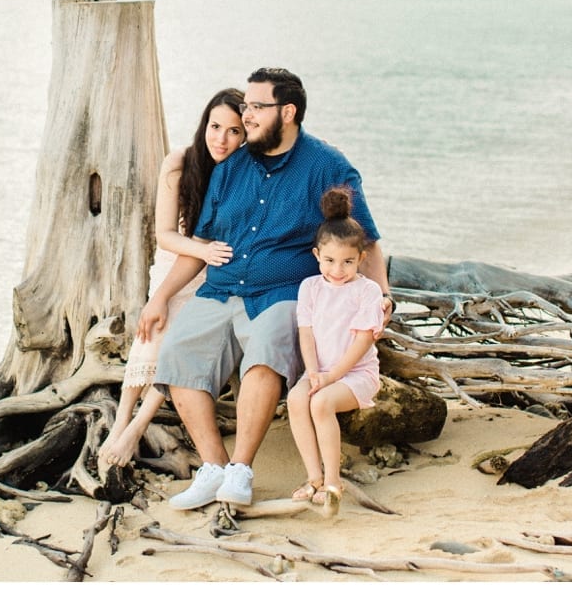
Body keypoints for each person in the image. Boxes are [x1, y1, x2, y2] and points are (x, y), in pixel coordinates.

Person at [138, 67, 391, 510]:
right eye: (246, 106)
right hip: (219, 289)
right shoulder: (232, 166)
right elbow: (200, 245)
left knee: (267, 351)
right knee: (178, 352)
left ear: (287, 112)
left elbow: (364, 238)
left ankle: (241, 470)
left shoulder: (327, 166)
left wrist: (382, 297)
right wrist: (160, 297)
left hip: (282, 293)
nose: (246, 114)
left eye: (256, 107)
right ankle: (213, 467)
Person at [99, 87, 247, 471]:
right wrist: (197, 255)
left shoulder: (243, 174)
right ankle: (121, 421)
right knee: (152, 334)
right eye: (216, 126)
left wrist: (206, 257)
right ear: (204, 125)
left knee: (176, 346)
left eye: (234, 131)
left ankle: (136, 428)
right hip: (175, 261)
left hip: (212, 273)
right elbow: (164, 233)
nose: (222, 138)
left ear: (246, 135)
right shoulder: (180, 162)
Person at [286, 185, 383, 515]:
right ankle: (312, 477)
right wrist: (313, 371)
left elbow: (362, 342)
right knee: (297, 399)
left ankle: (332, 481)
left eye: (347, 262)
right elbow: (307, 335)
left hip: (353, 374)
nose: (337, 270)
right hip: (319, 369)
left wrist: (330, 378)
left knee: (321, 403)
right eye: (329, 261)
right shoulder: (310, 287)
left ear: (361, 259)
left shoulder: (366, 291)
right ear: (316, 255)